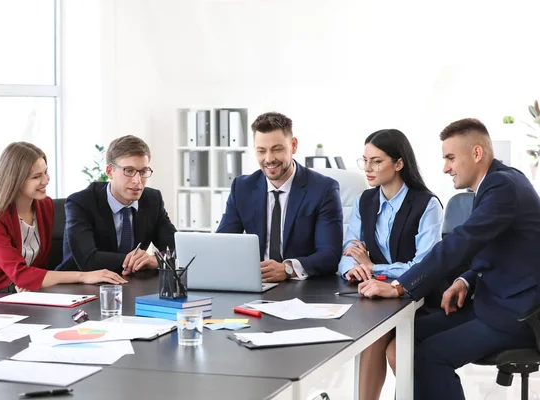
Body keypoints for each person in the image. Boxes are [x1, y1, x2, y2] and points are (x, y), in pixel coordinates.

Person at [358, 118, 540, 400]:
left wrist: (400, 286)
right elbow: (494, 248)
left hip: (515, 316)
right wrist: (465, 281)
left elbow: (460, 242)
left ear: (477, 153)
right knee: (406, 336)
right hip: (491, 303)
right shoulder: (496, 183)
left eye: (451, 158)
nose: (445, 168)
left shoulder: (502, 187)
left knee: (427, 357)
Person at [0, 142, 126, 300]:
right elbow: (20, 273)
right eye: (37, 177)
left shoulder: (44, 206)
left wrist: (27, 283)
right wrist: (83, 276)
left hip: (17, 295)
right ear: (15, 181)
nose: (46, 180)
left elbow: (37, 267)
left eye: (46, 172)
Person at [338, 129, 443, 400]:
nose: (368, 169)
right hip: (376, 297)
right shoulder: (366, 200)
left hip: (417, 297)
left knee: (395, 350)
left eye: (377, 161)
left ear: (398, 164)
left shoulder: (427, 204)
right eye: (365, 161)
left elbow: (424, 264)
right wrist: (352, 267)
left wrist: (373, 267)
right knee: (370, 342)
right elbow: (350, 248)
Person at [217, 111, 343, 282]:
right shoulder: (242, 187)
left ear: (294, 145)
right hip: (257, 283)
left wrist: (288, 269)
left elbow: (330, 255)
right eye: (261, 151)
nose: (269, 159)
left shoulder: (323, 189)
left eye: (277, 149)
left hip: (303, 288)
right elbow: (223, 243)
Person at [57, 135, 176, 274]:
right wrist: (134, 261)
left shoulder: (152, 199)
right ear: (109, 171)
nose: (137, 180)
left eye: (143, 171)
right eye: (129, 171)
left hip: (131, 284)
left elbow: (177, 249)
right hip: (81, 287)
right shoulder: (81, 202)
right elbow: (88, 260)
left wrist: (157, 260)